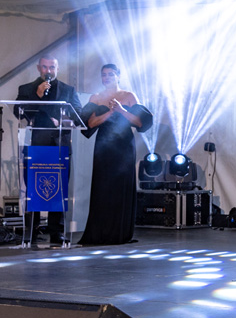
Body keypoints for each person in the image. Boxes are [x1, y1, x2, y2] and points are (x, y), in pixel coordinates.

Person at [78, 64, 152, 246]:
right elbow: (90, 123)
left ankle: (120, 233)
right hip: (104, 146)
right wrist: (110, 112)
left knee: (121, 188)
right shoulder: (96, 97)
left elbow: (139, 122)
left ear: (118, 76)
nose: (107, 78)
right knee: (102, 188)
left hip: (124, 146)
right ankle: (100, 233)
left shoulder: (128, 96)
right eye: (104, 75)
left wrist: (121, 110)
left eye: (111, 74)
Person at [14, 54, 82, 245]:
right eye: (44, 67)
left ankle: (56, 231)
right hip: (35, 145)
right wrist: (37, 95)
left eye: (52, 67)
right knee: (33, 189)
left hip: (59, 145)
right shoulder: (27, 89)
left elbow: (78, 115)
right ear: (39, 68)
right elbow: (18, 112)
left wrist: (61, 121)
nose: (48, 71)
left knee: (58, 190)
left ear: (57, 69)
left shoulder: (68, 90)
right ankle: (32, 230)